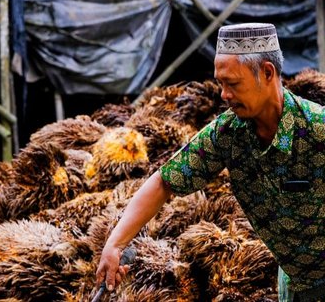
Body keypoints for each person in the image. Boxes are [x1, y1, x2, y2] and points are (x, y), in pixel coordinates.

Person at [96, 22, 325, 302]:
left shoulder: (318, 129)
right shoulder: (227, 134)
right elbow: (163, 182)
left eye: (233, 83)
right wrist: (115, 245)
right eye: (220, 83)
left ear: (267, 73)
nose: (224, 95)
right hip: (294, 283)